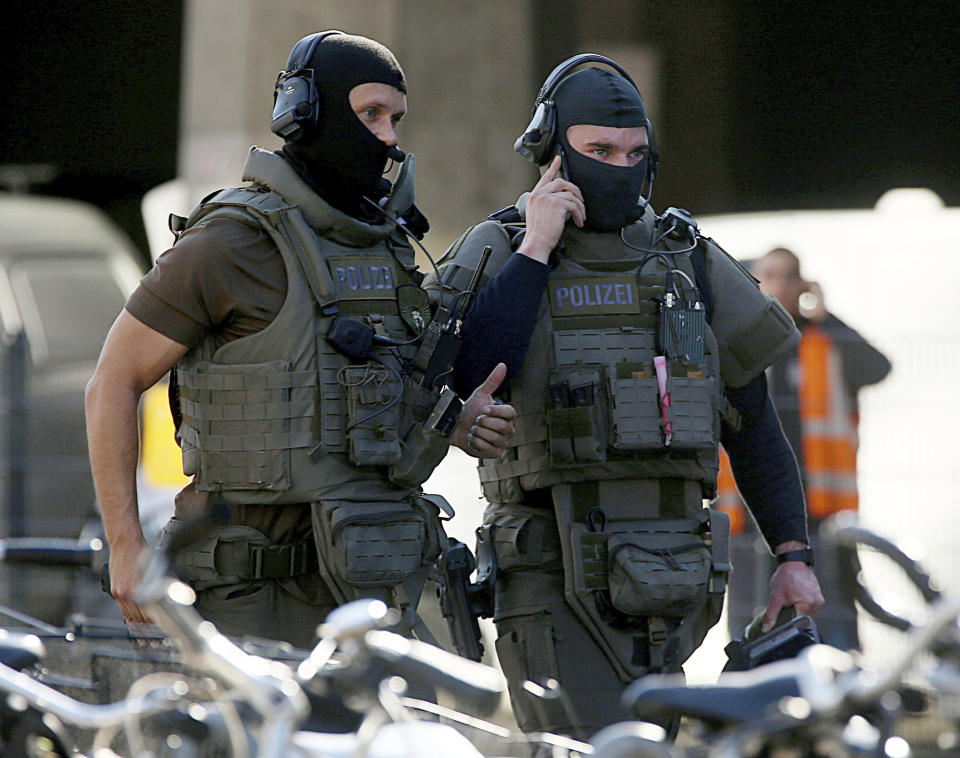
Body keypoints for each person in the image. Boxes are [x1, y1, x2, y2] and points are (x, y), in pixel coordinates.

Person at [426, 54, 823, 737]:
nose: (620, 166)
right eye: (599, 151)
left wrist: (793, 557)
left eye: (635, 152)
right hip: (550, 569)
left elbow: (753, 422)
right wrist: (538, 248)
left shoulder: (687, 256)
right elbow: (465, 371)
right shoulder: (502, 246)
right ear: (553, 152)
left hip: (677, 574)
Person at [85, 30, 516, 649]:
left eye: (395, 118)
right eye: (369, 114)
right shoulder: (231, 242)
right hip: (250, 597)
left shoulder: (388, 247)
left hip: (373, 590)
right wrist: (125, 547)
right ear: (307, 113)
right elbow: (111, 383)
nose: (389, 137)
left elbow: (385, 399)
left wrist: (457, 419)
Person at [717, 247, 891, 650]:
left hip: (818, 507)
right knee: (750, 615)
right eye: (766, 276)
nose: (774, 285)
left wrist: (826, 315)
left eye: (784, 276)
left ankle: (838, 684)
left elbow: (878, 367)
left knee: (829, 608)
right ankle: (752, 689)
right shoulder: (739, 343)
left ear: (801, 285)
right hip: (746, 507)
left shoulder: (823, 341)